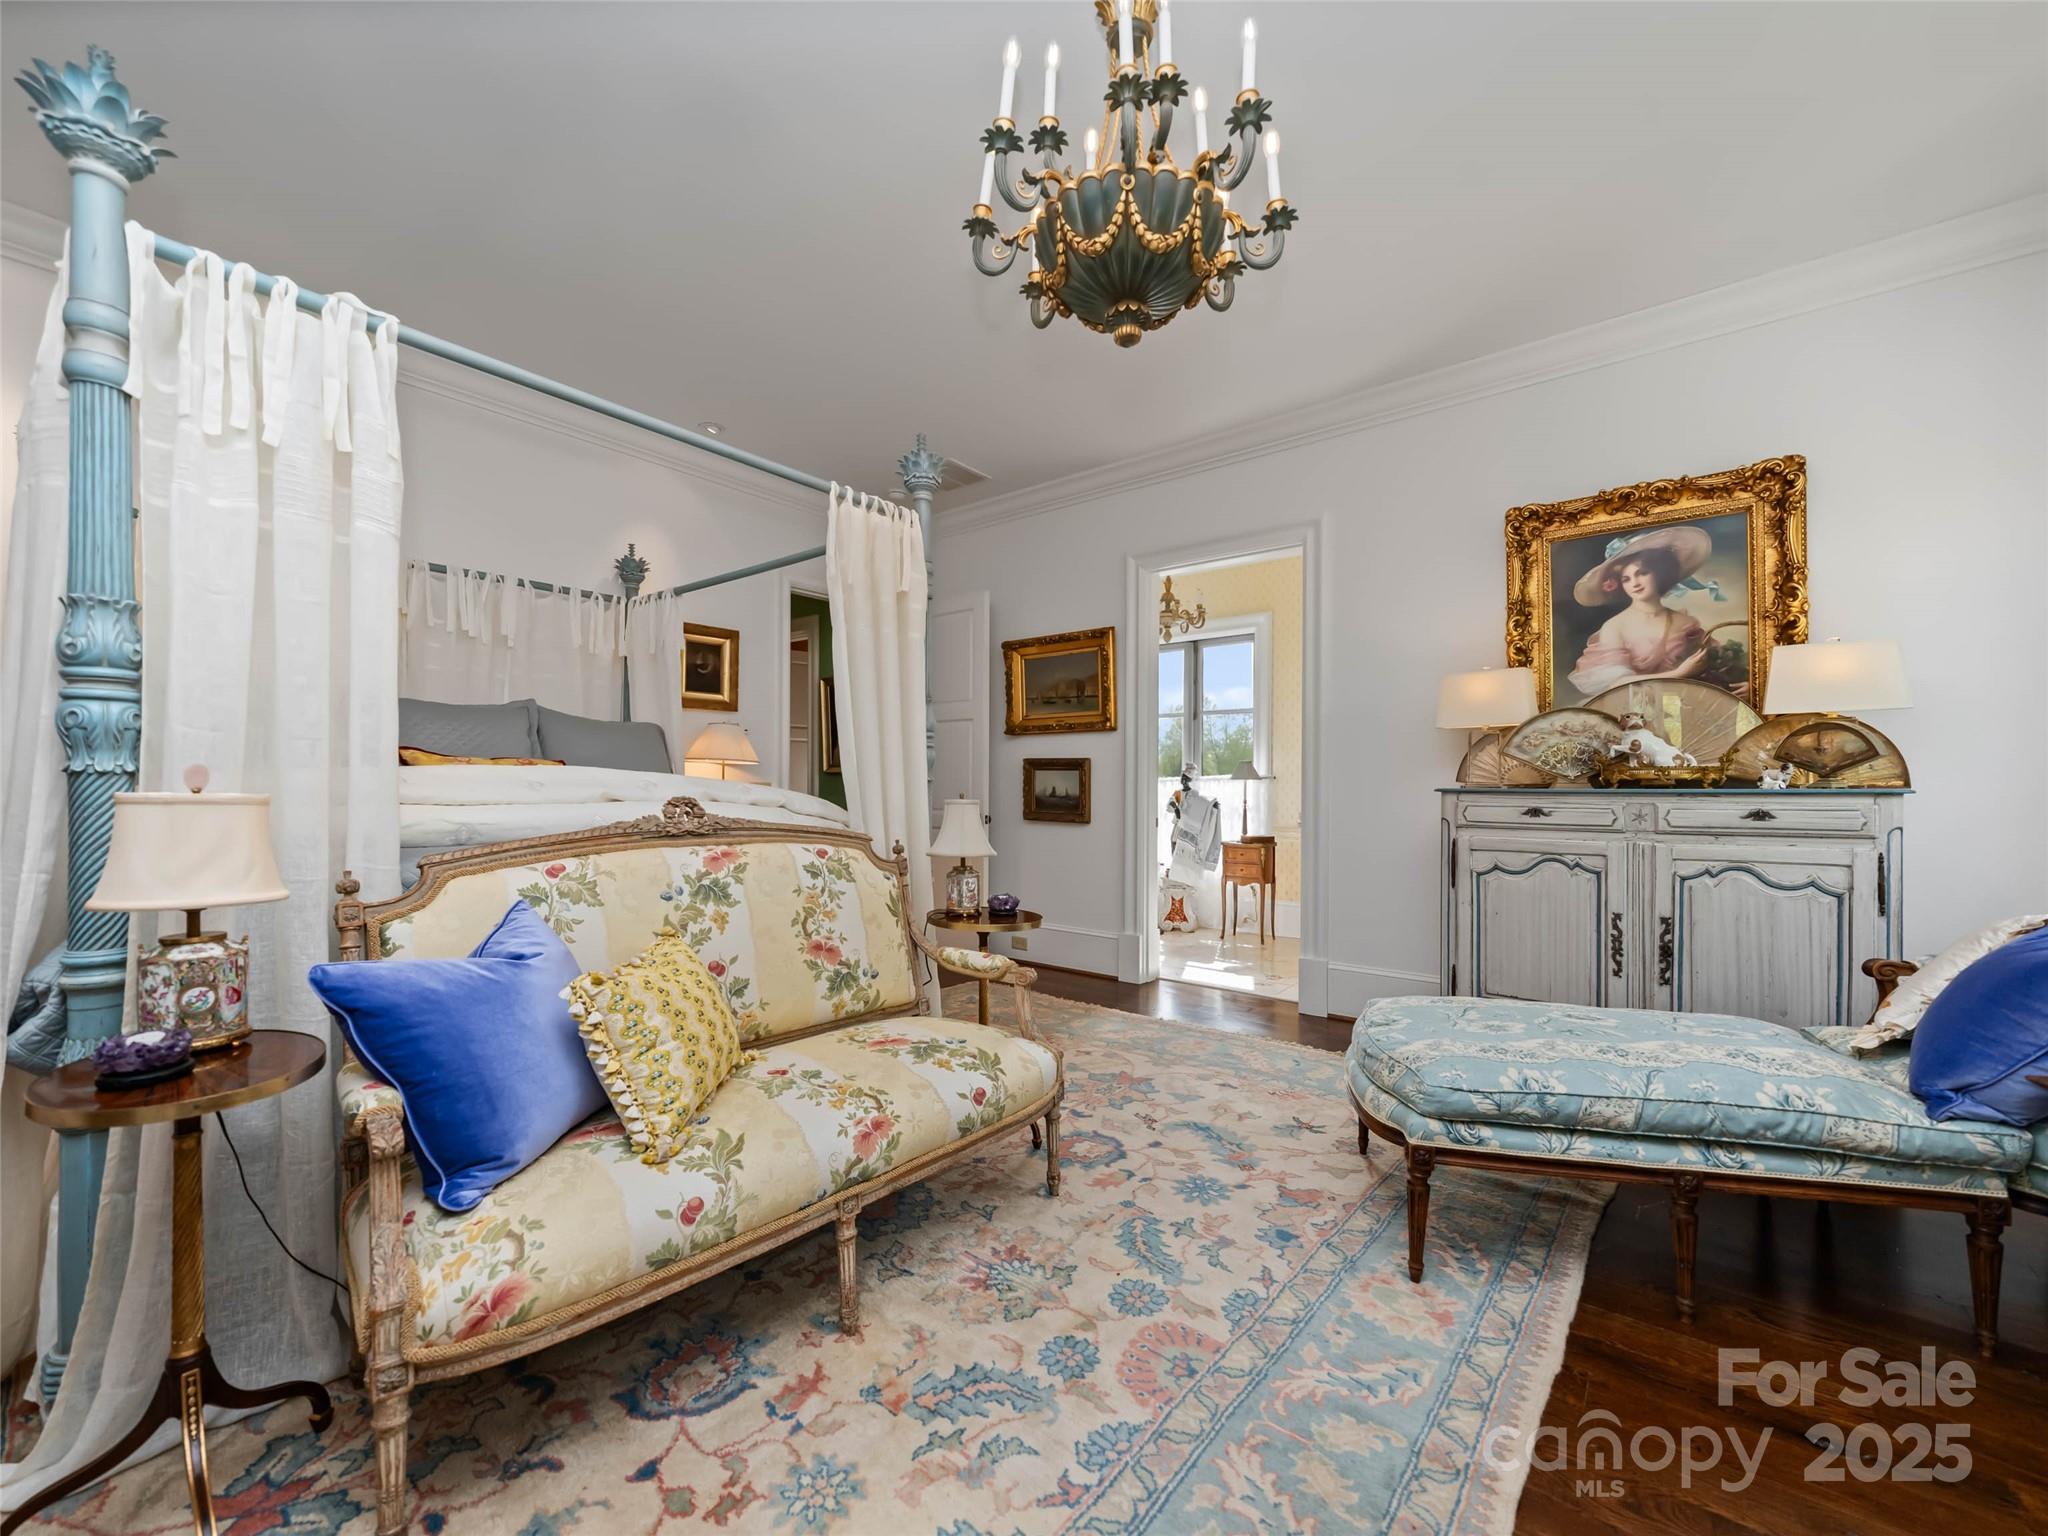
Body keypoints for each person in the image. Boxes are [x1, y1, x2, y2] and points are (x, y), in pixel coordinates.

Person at [1566, 526, 1727, 697]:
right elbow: (1617, 685)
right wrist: (1678, 674)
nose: (1635, 583)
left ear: (1659, 575)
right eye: (1626, 579)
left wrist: (1744, 683)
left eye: (1642, 573)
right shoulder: (1615, 626)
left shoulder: (1685, 622)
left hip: (1683, 702)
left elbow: (1718, 661)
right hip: (1635, 709)